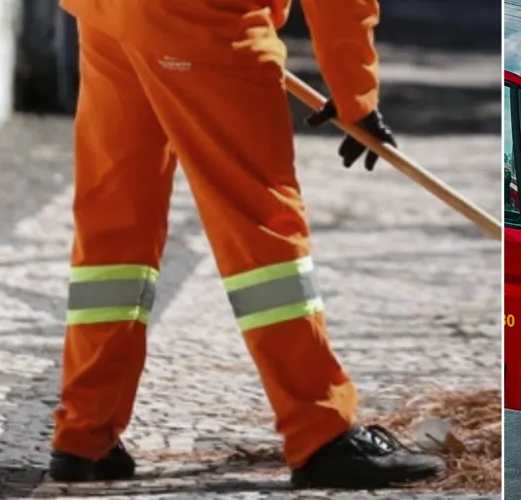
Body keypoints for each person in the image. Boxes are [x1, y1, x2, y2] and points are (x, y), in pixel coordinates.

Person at [49, 0, 444, 489]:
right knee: (262, 230)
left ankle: (85, 433)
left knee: (115, 225)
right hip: (203, 22)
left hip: (108, 16)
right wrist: (355, 94)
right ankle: (320, 430)